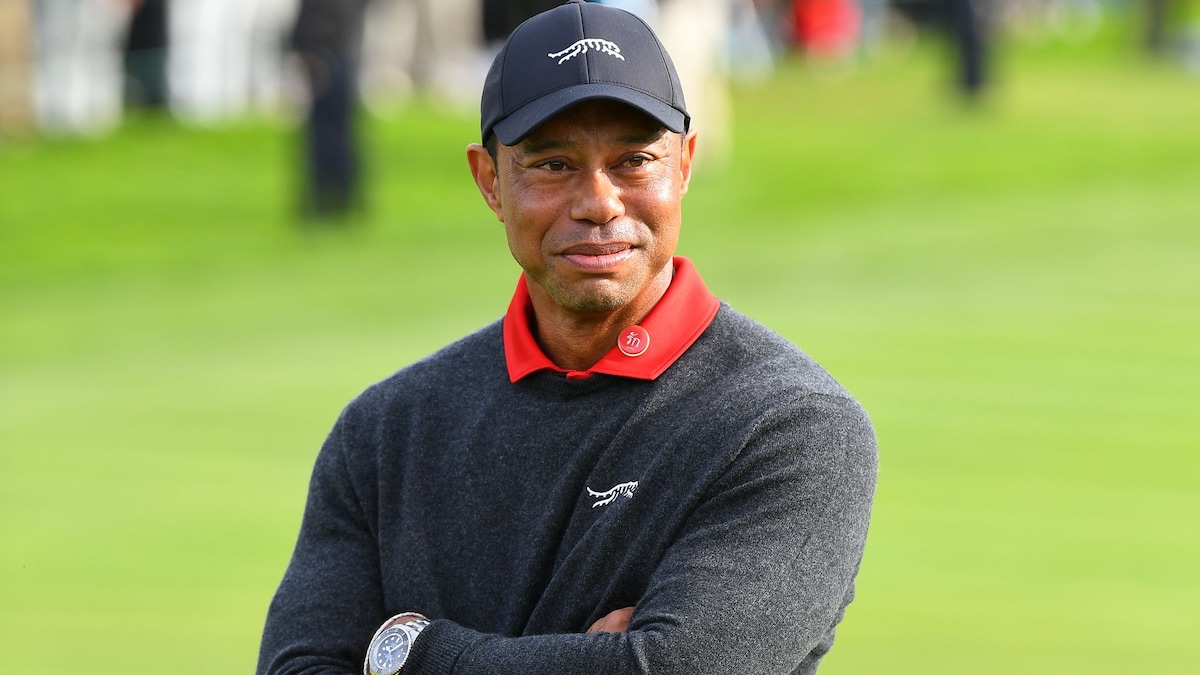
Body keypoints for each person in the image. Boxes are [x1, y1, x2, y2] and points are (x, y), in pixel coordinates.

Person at [255, 1, 877, 673]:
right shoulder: (383, 432)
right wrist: (592, 657)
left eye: (634, 160)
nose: (599, 202)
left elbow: (674, 667)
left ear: (684, 165)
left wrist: (411, 654)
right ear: (490, 181)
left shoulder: (789, 425)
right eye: (553, 164)